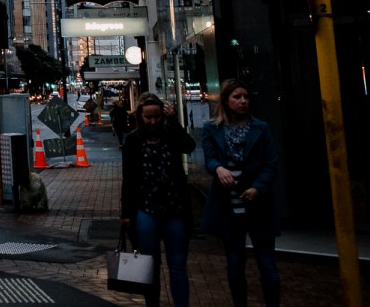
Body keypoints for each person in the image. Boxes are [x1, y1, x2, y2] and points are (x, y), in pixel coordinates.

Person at [202, 78, 281, 307]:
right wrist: (218, 168)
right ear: (226, 101)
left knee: (267, 263)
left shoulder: (260, 127)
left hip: (258, 203)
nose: (243, 101)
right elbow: (210, 159)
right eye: (237, 97)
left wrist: (258, 187)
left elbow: (271, 163)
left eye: (246, 97)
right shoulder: (212, 128)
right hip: (229, 205)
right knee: (235, 265)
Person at [120, 92, 196, 307]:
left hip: (175, 209)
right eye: (148, 117)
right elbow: (129, 178)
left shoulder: (171, 134)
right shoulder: (133, 140)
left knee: (178, 265)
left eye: (157, 117)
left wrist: (173, 120)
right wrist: (126, 213)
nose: (153, 121)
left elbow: (189, 146)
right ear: (140, 117)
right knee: (149, 266)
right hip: (146, 210)